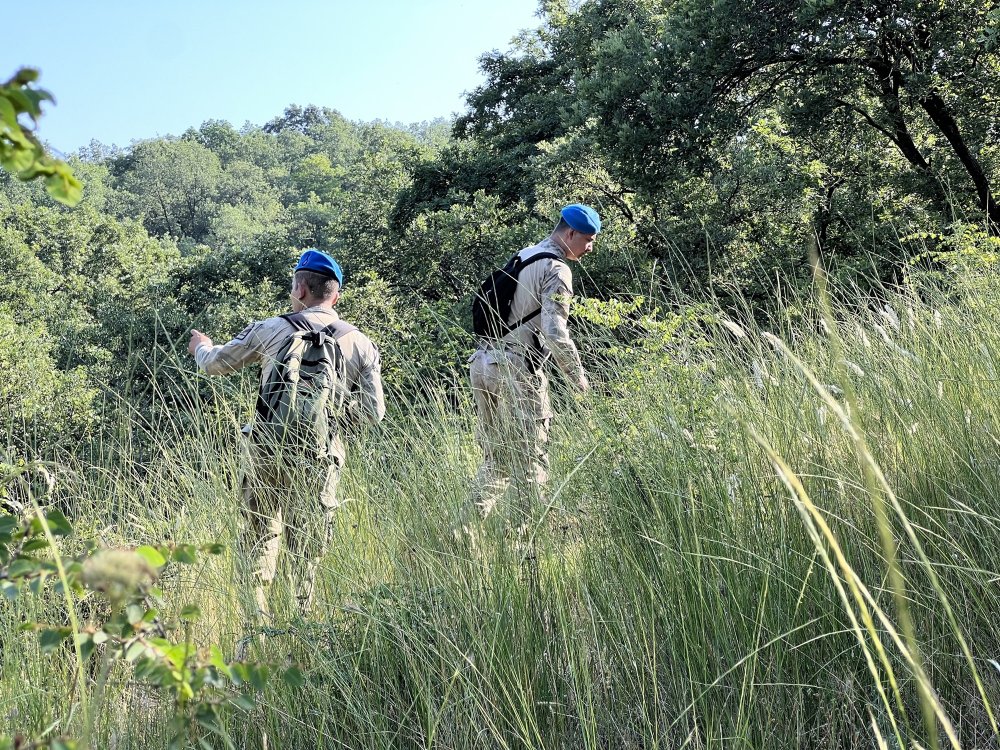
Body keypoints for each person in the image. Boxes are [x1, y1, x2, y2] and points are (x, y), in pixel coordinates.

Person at [187, 249, 385, 618]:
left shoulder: (272, 328)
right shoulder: (360, 343)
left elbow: (215, 364)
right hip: (320, 456)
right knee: (307, 552)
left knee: (258, 538)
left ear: (299, 288)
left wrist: (201, 348)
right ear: (335, 294)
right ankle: (302, 628)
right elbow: (374, 412)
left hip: (265, 449)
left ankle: (256, 633)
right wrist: (330, 425)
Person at [468, 203, 600, 528]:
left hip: (483, 362)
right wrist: (577, 377)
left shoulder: (524, 254)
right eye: (588, 240)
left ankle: (464, 531)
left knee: (496, 461)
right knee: (531, 462)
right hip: (516, 370)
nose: (590, 248)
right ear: (570, 233)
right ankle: (527, 549)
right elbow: (555, 331)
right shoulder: (557, 269)